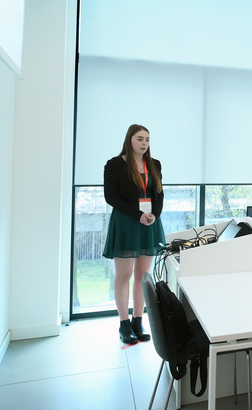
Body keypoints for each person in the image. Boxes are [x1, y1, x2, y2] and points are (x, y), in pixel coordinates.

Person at [102, 124, 165, 344]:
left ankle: (138, 321)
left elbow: (159, 194)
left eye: (147, 139)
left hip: (149, 223)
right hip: (127, 222)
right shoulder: (115, 164)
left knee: (142, 274)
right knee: (124, 275)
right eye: (139, 139)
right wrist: (138, 215)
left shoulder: (154, 164)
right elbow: (111, 197)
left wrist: (155, 215)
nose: (144, 143)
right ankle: (124, 324)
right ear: (129, 140)